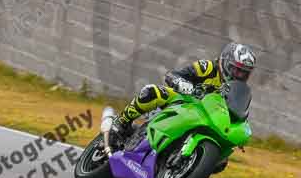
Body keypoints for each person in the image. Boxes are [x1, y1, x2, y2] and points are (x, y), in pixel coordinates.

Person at [110, 43, 257, 146]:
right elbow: (173, 75)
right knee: (151, 92)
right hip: (183, 102)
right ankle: (121, 122)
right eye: (236, 70)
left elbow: (237, 113)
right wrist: (185, 86)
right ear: (225, 62)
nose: (239, 75)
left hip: (205, 119)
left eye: (244, 73)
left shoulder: (238, 91)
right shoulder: (208, 68)